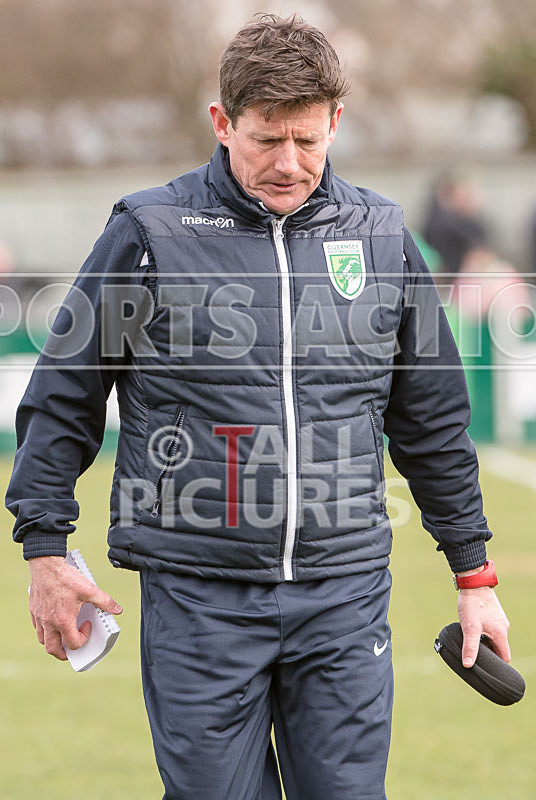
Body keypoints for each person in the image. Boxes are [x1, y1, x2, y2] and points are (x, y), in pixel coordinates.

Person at [6, 14, 511, 800]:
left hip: (344, 597)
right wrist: (45, 549)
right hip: (198, 600)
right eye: (267, 140)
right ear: (222, 122)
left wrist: (474, 576)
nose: (290, 163)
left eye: (308, 141)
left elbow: (432, 418)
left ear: (336, 121)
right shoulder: (149, 232)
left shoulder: (380, 235)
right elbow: (63, 397)